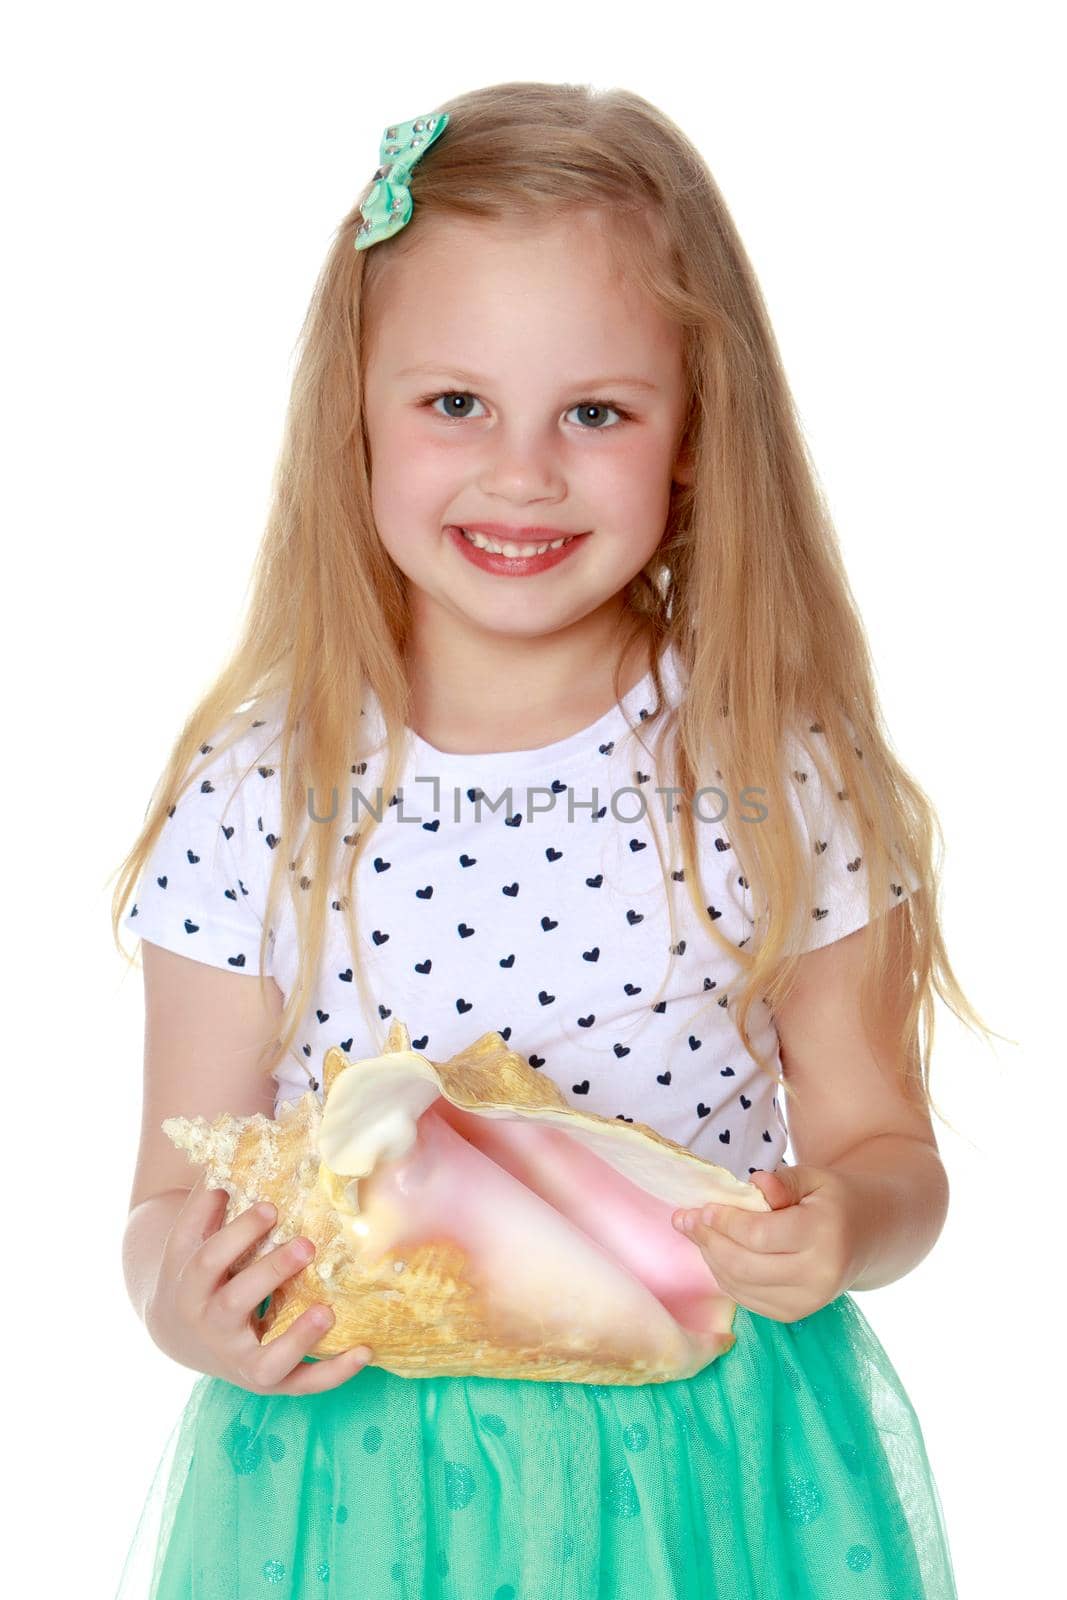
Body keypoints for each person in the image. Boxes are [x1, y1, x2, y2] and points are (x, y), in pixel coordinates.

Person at [111, 81, 995, 1599]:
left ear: (695, 436)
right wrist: (184, 1302)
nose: (522, 471)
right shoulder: (261, 788)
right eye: (455, 403)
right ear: (359, 418)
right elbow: (163, 1204)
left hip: (707, 1463)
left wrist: (844, 1222)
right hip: (358, 1485)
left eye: (595, 412)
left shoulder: (779, 772)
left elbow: (889, 1153)